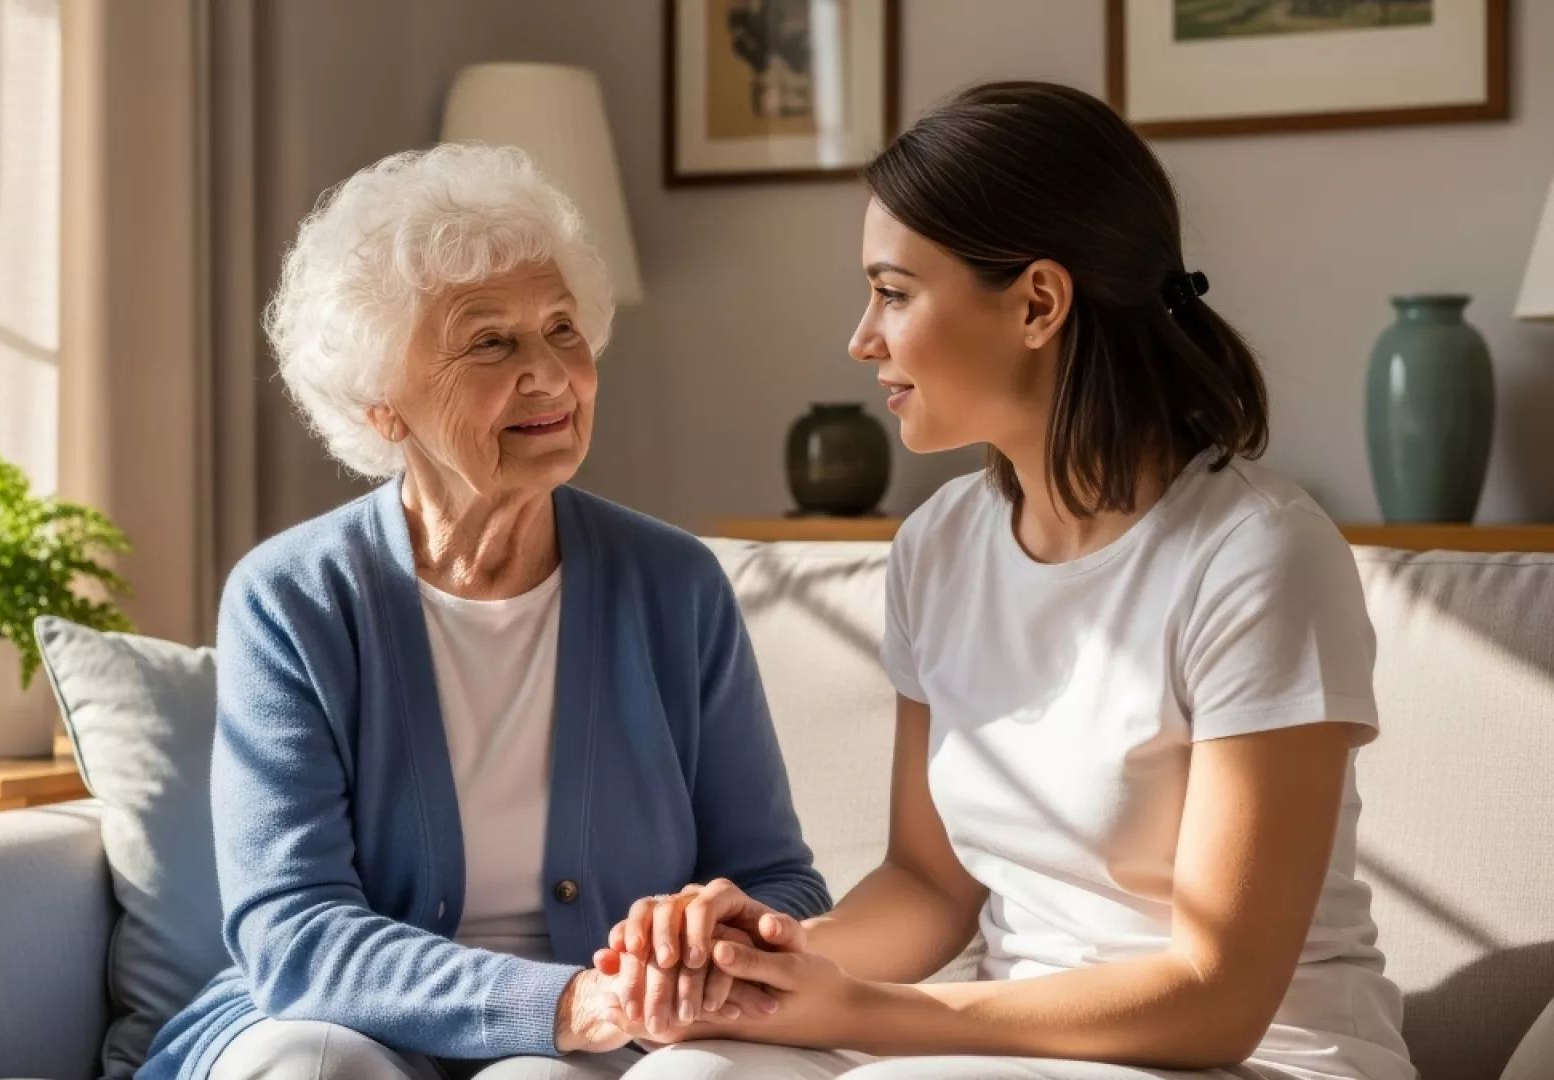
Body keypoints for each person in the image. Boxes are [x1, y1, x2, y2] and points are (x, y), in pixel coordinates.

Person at [600, 81, 1417, 1080]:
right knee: (692, 1072)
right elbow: (928, 884)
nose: (863, 338)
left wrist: (868, 1013)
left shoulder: (1259, 555)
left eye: (894, 292)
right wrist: (769, 963)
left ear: (1038, 302)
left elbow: (1218, 998)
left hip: (1257, 1057)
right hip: (1004, 1044)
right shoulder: (940, 546)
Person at [135, 143, 829, 1080]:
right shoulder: (292, 597)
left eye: (563, 330)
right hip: (353, 1024)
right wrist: (563, 1004)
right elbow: (292, 931)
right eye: (491, 341)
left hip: (607, 1031)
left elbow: (782, 881)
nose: (551, 374)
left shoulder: (676, 584)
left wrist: (711, 937)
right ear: (382, 403)